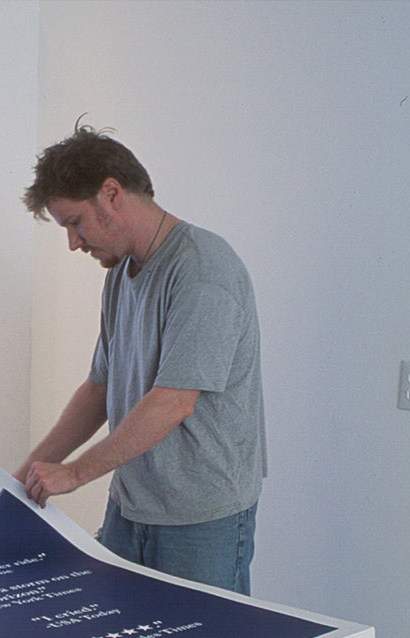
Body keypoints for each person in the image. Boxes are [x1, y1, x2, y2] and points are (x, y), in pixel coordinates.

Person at [18, 122, 266, 595]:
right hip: (130, 509)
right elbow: (99, 388)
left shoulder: (202, 270)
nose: (73, 242)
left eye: (75, 222)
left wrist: (74, 473)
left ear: (111, 194)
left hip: (200, 521)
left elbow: (174, 401)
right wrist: (25, 475)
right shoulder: (121, 273)